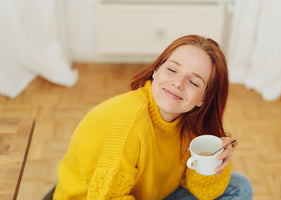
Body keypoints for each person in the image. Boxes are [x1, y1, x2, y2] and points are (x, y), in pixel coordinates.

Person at [53, 34, 253, 200]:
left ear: (203, 98)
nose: (177, 83)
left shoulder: (188, 122)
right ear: (156, 71)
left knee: (240, 187)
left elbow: (203, 191)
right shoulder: (124, 126)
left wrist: (211, 163)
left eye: (194, 82)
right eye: (172, 69)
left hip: (149, 195)